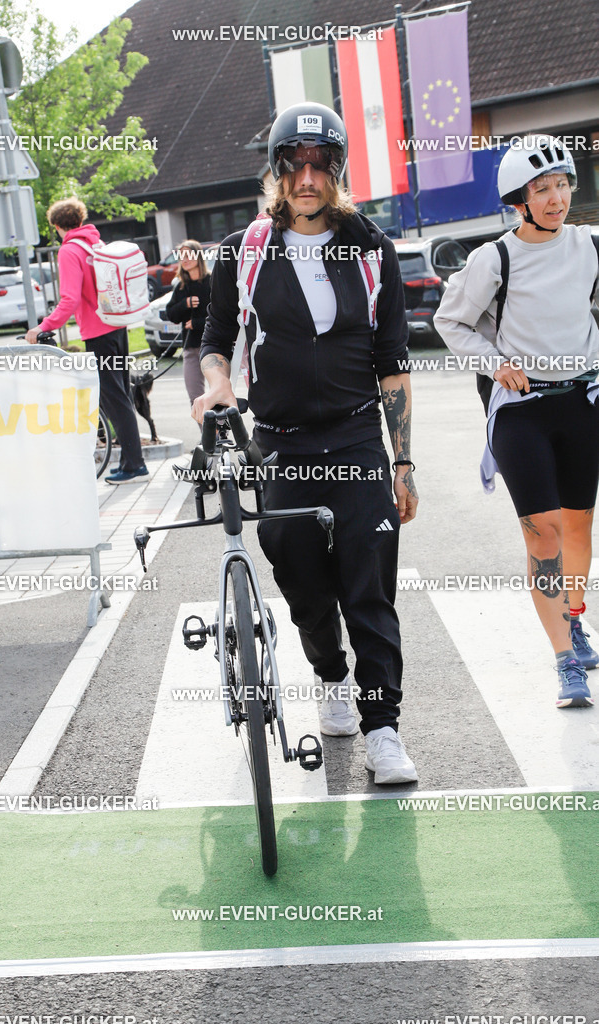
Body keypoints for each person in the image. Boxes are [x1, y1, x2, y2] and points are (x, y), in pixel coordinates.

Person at [192, 102, 419, 784]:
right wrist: (218, 382)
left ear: (338, 172)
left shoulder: (371, 248)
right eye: (295, 163)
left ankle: (384, 730)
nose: (308, 177)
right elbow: (215, 337)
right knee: (305, 587)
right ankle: (330, 676)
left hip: (356, 442)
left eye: (322, 165)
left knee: (369, 590)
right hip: (281, 448)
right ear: (277, 171)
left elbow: (393, 359)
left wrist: (402, 459)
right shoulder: (244, 251)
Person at [434, 135, 599, 708]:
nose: (557, 198)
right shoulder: (494, 258)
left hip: (582, 404)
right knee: (544, 530)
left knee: (579, 525)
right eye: (542, 189)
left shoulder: (588, 246)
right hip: (521, 412)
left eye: (562, 185)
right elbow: (450, 321)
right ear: (517, 200)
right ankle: (564, 661)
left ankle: (575, 620)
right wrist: (494, 363)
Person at [26, 197, 148, 485]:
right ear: (80, 219)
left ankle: (135, 465)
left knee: (114, 398)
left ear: (57, 225)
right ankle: (133, 462)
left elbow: (69, 298)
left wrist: (43, 326)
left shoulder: (70, 250)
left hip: (98, 333)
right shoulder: (95, 243)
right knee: (121, 396)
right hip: (117, 326)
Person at [165, 240, 211, 408]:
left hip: (214, 347)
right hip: (190, 348)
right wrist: (184, 304)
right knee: (195, 398)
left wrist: (197, 323)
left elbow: (225, 314)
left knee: (218, 396)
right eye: (181, 256)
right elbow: (171, 315)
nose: (184, 259)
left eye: (188, 254)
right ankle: (207, 435)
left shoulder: (212, 281)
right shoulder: (181, 287)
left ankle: (222, 434)